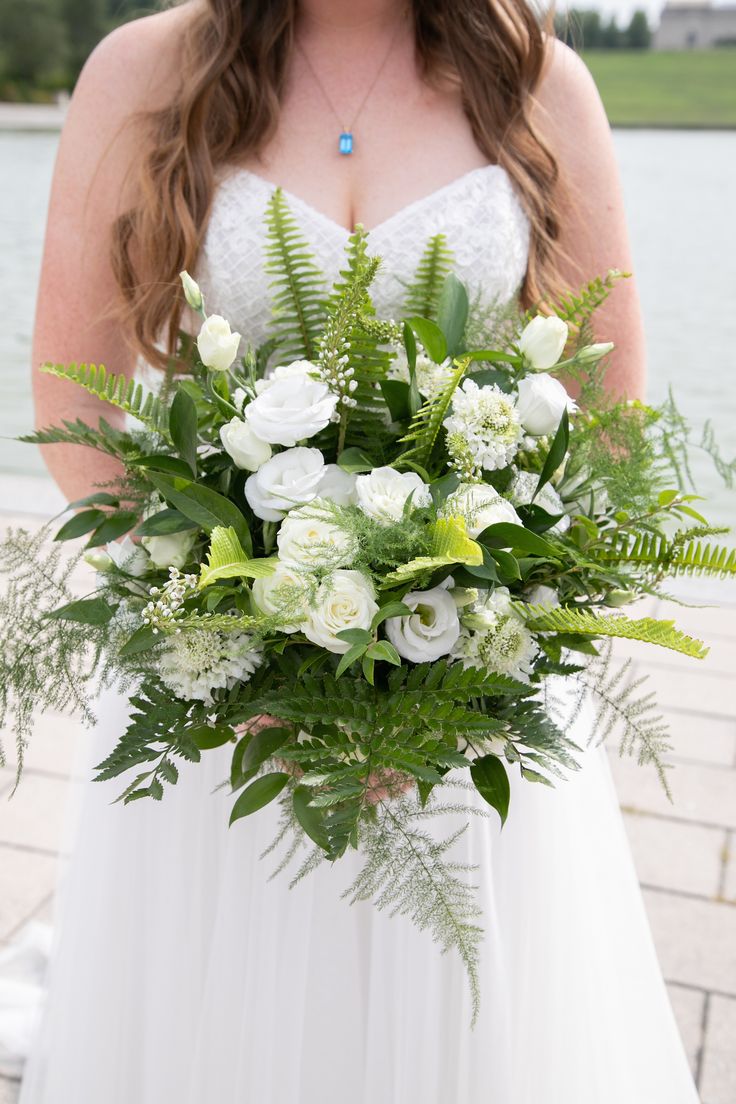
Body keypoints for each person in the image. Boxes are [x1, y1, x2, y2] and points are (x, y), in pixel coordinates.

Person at [10, 0, 699, 1100]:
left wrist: (467, 649)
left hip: (469, 693)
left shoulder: (536, 80)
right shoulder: (142, 72)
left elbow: (607, 425)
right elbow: (72, 404)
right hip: (225, 702)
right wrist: (237, 637)